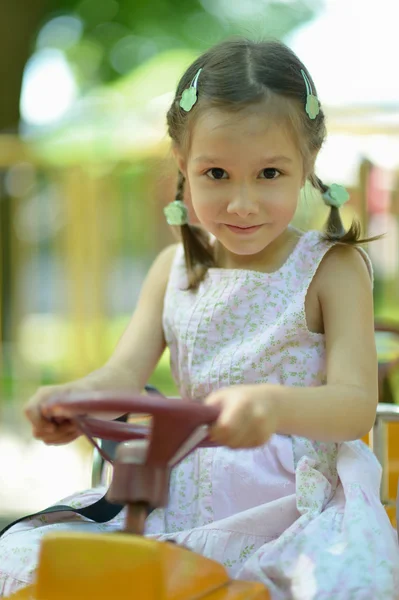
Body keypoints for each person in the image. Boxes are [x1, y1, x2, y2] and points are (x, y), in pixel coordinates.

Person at [0, 37, 398, 599]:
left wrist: (273, 404)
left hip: (290, 500)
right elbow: (120, 377)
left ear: (307, 167)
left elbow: (355, 402)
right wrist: (73, 396)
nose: (241, 202)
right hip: (179, 485)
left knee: (335, 582)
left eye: (269, 174)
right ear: (183, 165)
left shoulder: (332, 269)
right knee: (23, 557)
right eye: (216, 173)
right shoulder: (174, 271)